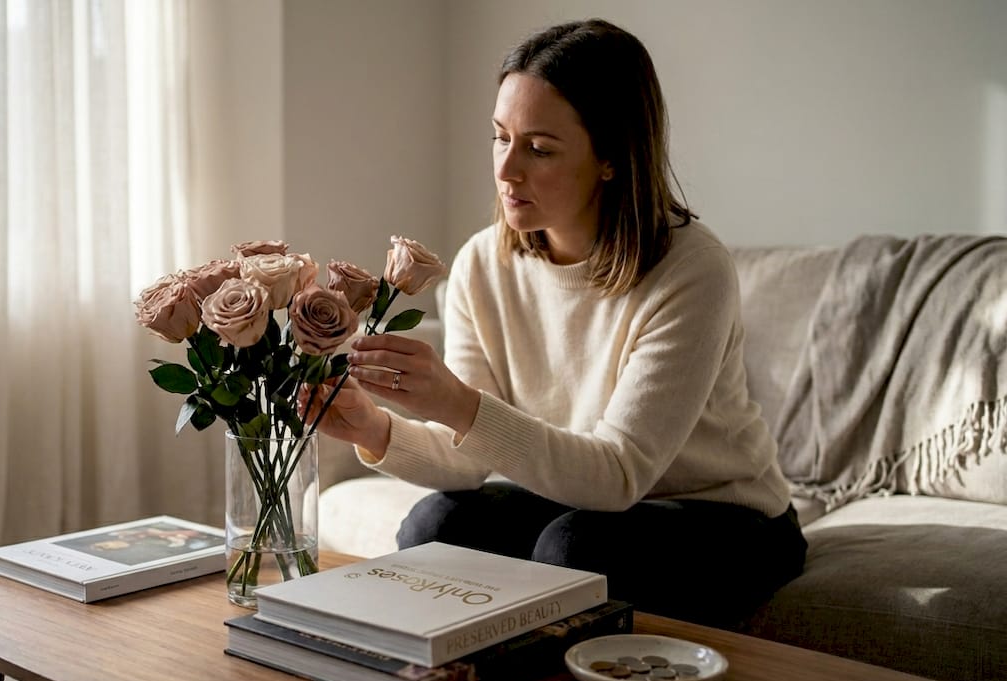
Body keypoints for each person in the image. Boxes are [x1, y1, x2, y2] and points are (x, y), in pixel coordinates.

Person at [302, 18, 806, 628]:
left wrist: (459, 404)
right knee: (437, 525)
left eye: (539, 149)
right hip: (578, 495)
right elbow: (470, 461)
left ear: (612, 159)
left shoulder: (692, 269)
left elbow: (619, 475)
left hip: (723, 516)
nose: (506, 169)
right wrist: (376, 428)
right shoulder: (483, 264)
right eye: (499, 137)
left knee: (575, 550)